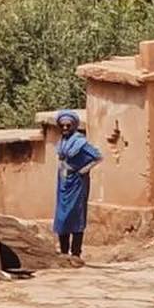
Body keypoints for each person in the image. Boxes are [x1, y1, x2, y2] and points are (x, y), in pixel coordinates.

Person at [53, 110, 102, 265]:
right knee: (62, 216)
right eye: (63, 125)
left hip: (77, 183)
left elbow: (97, 156)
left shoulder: (79, 141)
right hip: (63, 183)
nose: (65, 128)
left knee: (76, 215)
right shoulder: (62, 142)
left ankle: (75, 253)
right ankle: (63, 252)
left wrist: (83, 170)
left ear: (74, 125)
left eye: (68, 125)